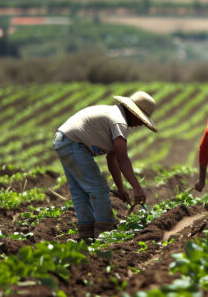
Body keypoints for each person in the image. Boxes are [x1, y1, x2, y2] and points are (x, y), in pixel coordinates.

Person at [54, 91, 157, 242]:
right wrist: (136, 187)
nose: (141, 123)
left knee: (79, 192)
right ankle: (105, 234)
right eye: (141, 119)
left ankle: (86, 234)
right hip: (74, 143)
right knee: (99, 189)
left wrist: (121, 189)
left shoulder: (114, 114)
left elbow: (112, 159)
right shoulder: (119, 121)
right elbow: (123, 158)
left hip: (63, 140)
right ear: (133, 112)